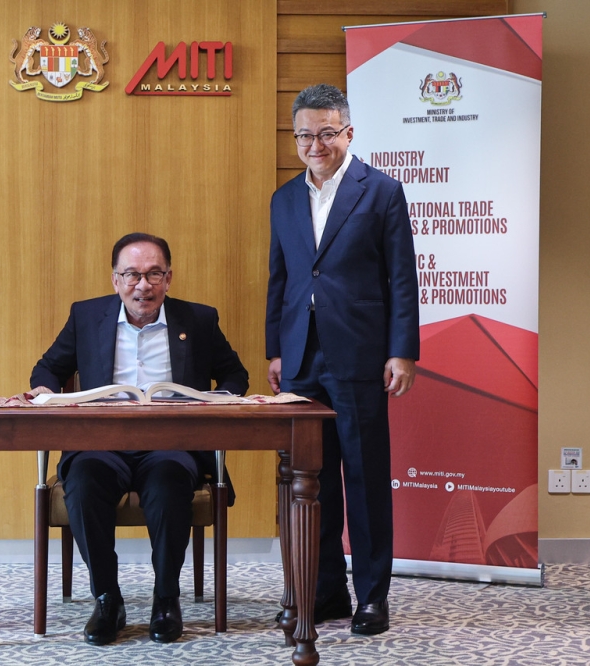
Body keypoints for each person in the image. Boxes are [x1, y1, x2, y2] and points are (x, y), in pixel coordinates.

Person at [29, 232, 249, 645]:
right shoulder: (86, 316)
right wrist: (45, 391)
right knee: (84, 483)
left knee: (169, 483)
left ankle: (166, 597)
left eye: (153, 275)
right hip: (101, 444)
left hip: (171, 445)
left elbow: (236, 375)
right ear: (115, 280)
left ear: (169, 278)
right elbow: (46, 369)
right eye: (131, 275)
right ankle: (107, 599)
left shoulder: (198, 320)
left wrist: (211, 401)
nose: (142, 286)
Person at [266, 84, 419, 636]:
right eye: (305, 134)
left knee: (365, 478)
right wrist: (275, 349)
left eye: (326, 133)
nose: (315, 144)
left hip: (360, 354)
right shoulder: (284, 199)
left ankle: (371, 597)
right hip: (302, 358)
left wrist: (402, 350)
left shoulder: (381, 192)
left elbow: (402, 278)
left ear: (348, 133)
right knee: (312, 481)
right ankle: (325, 590)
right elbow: (280, 281)